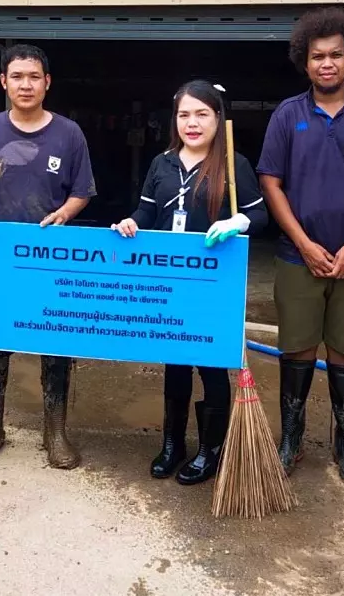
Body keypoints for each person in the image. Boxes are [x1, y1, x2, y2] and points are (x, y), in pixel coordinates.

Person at [257, 8, 344, 488]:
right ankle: (291, 441)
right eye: (317, 56)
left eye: (336, 55)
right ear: (304, 61)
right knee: (296, 351)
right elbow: (271, 183)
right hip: (300, 257)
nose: (327, 63)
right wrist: (303, 241)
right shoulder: (288, 114)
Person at [112, 80, 268, 485]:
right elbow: (146, 214)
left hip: (212, 284)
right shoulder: (162, 163)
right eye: (184, 115)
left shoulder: (234, 165)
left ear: (218, 118)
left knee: (212, 367)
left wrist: (240, 221)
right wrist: (131, 222)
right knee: (175, 364)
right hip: (168, 282)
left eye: (202, 114)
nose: (192, 123)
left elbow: (261, 215)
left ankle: (210, 450)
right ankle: (172, 444)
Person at [0, 44, 96, 471]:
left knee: (54, 342)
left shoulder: (69, 134)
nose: (25, 84)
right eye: (16, 76)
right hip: (1, 259)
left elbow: (82, 191)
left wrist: (65, 213)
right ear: (3, 81)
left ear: (47, 82)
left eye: (34, 76)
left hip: (54, 259)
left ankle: (55, 433)